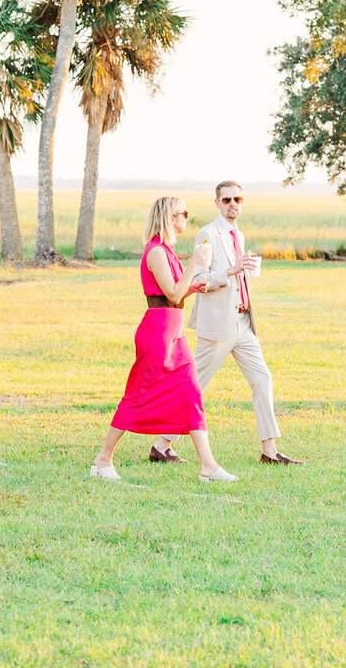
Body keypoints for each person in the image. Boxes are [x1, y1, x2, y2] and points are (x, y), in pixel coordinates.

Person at [90, 194, 237, 483]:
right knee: (137, 395)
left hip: (175, 331)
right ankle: (102, 459)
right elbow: (170, 294)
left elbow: (175, 292)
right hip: (158, 332)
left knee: (192, 394)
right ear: (170, 217)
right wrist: (195, 264)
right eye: (183, 213)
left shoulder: (167, 250)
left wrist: (192, 287)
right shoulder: (156, 251)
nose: (186, 218)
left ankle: (208, 466)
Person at [158, 179, 303, 467]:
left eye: (237, 199)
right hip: (218, 325)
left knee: (262, 379)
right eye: (227, 200)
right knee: (195, 384)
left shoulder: (240, 235)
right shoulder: (208, 233)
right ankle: (161, 444)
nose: (233, 204)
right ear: (217, 203)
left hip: (244, 323)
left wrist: (245, 269)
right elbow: (199, 279)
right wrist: (231, 270)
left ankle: (270, 451)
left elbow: (237, 275)